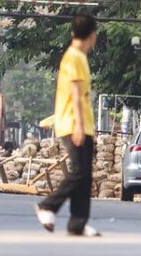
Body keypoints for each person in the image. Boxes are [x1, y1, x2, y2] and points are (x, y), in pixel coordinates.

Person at [34, 13, 100, 237]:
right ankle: (48, 205)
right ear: (92, 36)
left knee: (85, 175)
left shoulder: (77, 56)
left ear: (73, 32)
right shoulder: (74, 58)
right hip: (73, 124)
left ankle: (77, 223)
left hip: (81, 125)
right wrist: (80, 127)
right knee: (79, 172)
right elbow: (76, 93)